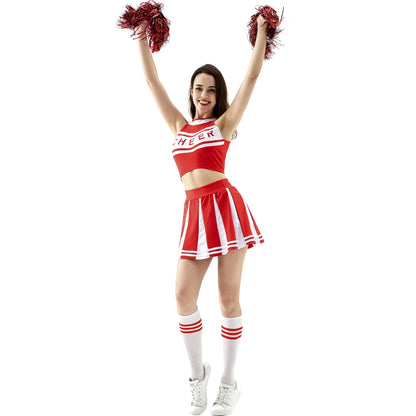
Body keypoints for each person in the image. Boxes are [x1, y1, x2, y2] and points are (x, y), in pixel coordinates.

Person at [135, 15, 268, 416]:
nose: (204, 94)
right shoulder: (179, 125)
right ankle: (198, 378)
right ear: (191, 92)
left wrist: (262, 34)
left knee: (228, 299)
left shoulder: (224, 124)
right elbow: (152, 82)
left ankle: (228, 384)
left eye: (211, 89)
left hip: (226, 208)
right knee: (183, 297)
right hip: (194, 212)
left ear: (218, 95)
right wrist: (140, 34)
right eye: (198, 88)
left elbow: (251, 79)